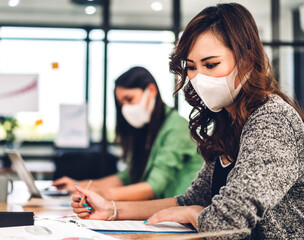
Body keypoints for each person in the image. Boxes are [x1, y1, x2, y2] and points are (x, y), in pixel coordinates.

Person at [71, 3, 304, 239]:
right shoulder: (228, 123)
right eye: (191, 67)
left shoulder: (272, 118)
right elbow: (190, 200)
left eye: (211, 64)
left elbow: (226, 224)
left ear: (246, 60)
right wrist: (111, 210)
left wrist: (192, 213)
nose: (198, 78)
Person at [53, 66, 203, 201]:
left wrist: (102, 195)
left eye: (129, 99)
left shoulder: (176, 126)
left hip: (179, 218)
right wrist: (79, 186)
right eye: (121, 104)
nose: (125, 109)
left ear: (151, 91)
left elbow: (153, 186)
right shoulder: (145, 129)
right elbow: (127, 177)